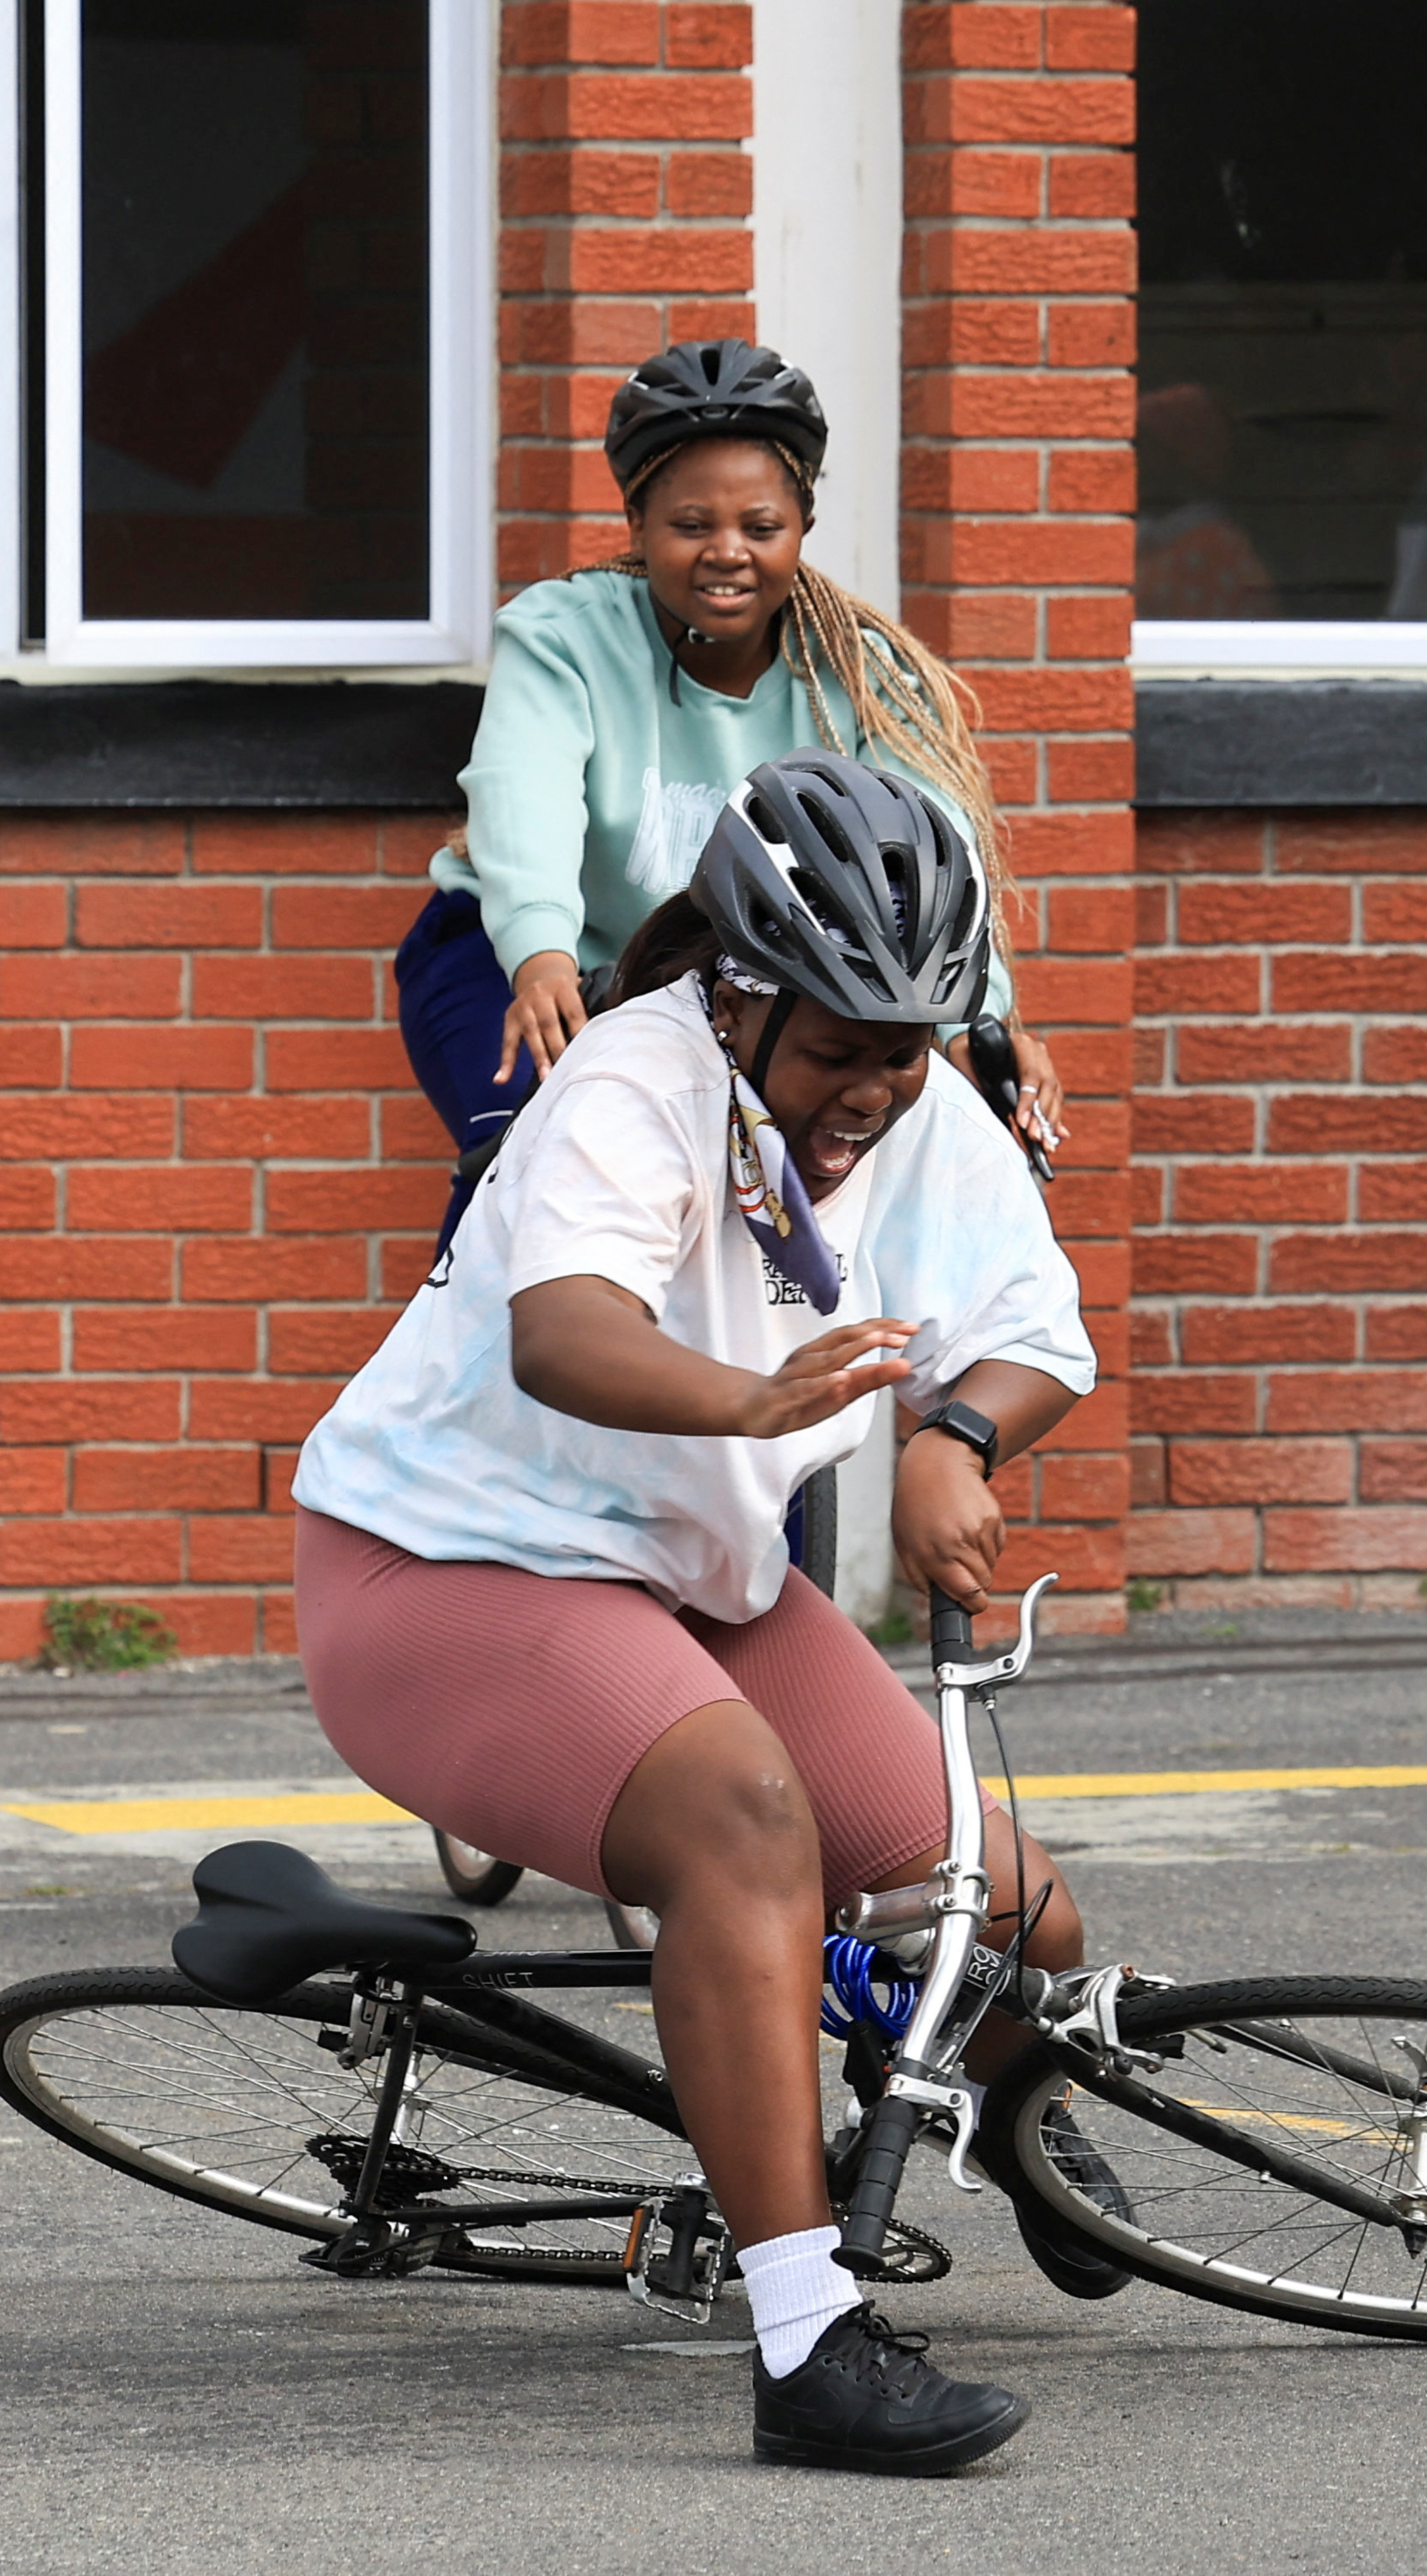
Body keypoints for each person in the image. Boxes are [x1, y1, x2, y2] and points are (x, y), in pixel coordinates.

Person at [294, 752, 1106, 2474]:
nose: (867, 1092)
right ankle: (809, 2341)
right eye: (835, 1051)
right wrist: (752, 1407)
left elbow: (1033, 1325)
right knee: (745, 1824)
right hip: (443, 1572)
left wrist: (957, 1439)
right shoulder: (633, 1078)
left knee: (1016, 1918)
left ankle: (1005, 2134)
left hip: (688, 1580)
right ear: (742, 994)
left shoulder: (913, 1095)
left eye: (902, 1050)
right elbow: (563, 1326)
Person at [399, 337, 1066, 1253]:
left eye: (760, 526)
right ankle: (471, 1373)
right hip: (521, 957)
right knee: (532, 1149)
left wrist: (974, 1025)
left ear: (801, 526)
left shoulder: (860, 677)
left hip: (735, 990)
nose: (727, 553)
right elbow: (526, 795)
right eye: (690, 524)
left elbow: (931, 861)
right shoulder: (563, 636)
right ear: (637, 523)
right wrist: (541, 953)